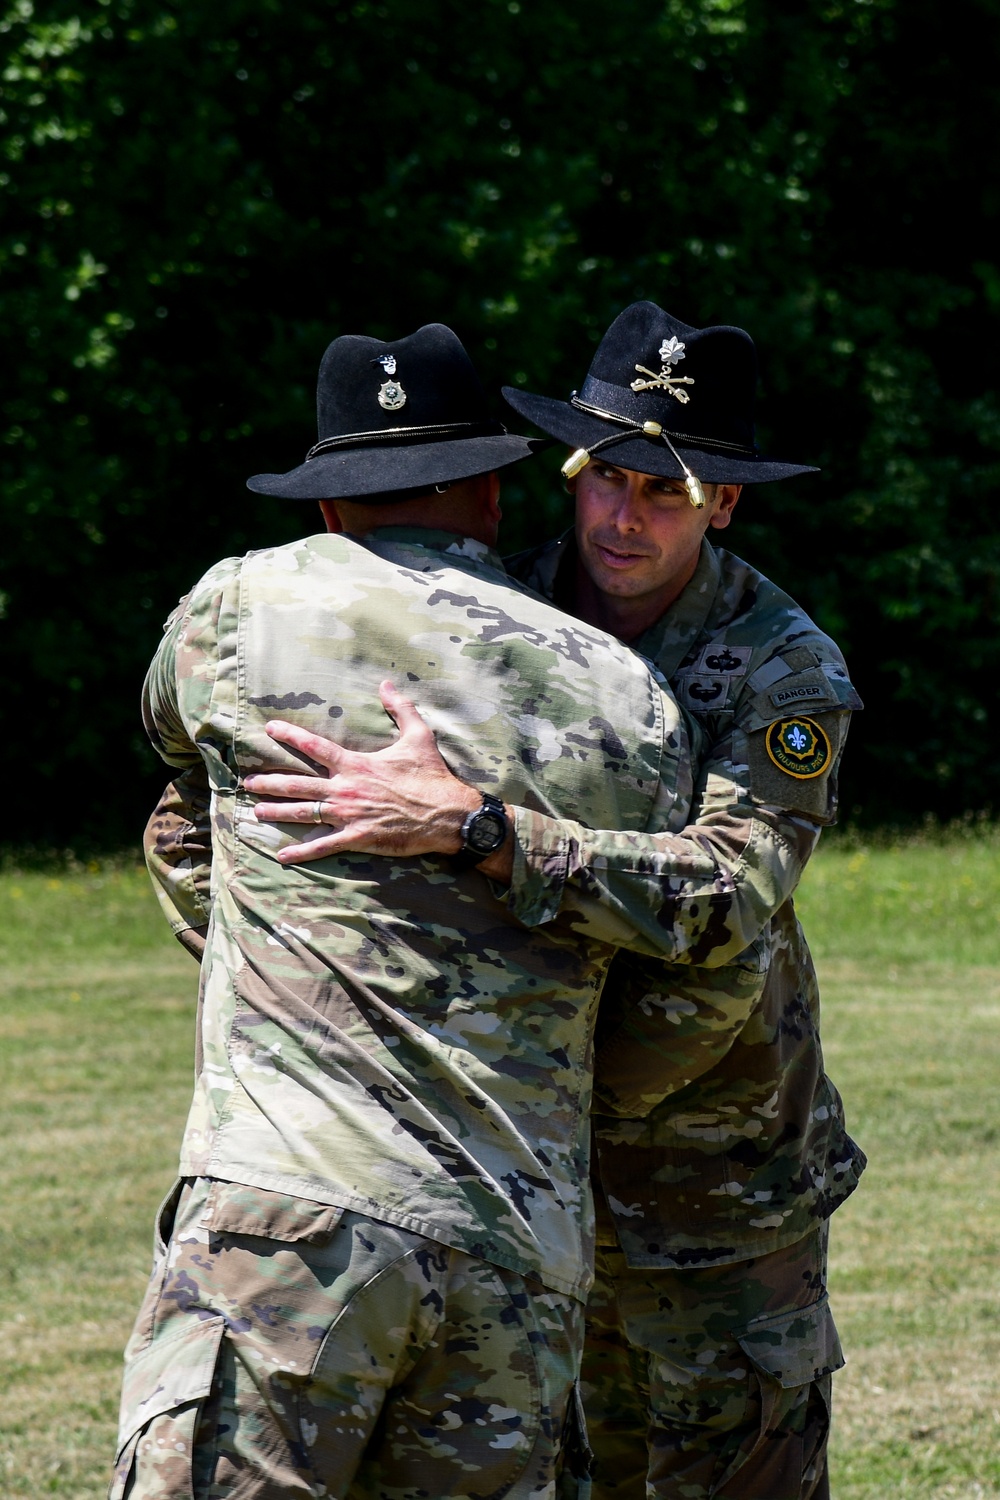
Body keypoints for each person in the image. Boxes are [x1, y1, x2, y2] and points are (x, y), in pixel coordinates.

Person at [120, 320, 779, 1500]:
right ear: (493, 487)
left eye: (661, 493)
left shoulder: (231, 615)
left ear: (327, 506)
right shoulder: (629, 697)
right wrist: (586, 1084)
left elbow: (179, 797)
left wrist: (273, 963)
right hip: (517, 1245)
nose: (624, 520)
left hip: (283, 1218)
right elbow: (709, 957)